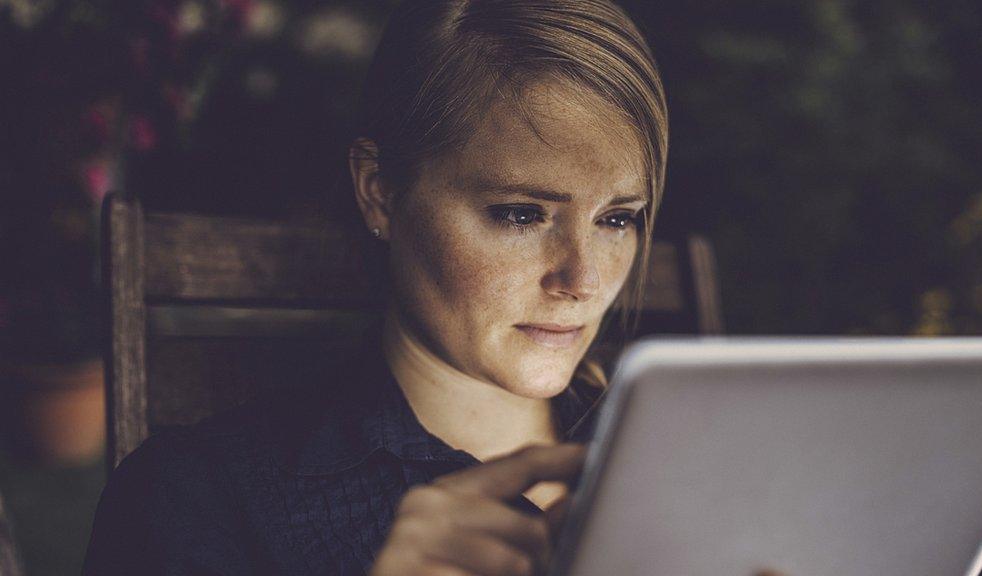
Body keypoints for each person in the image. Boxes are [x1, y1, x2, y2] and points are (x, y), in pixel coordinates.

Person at [82, 0, 668, 574]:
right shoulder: (198, 502)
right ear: (379, 190)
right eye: (520, 214)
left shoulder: (683, 457)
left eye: (616, 219)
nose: (584, 280)